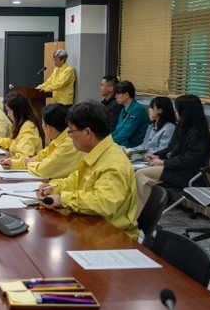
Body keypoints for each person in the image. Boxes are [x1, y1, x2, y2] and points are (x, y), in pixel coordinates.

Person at [38, 100, 138, 240]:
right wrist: (53, 187)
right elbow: (74, 181)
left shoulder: (113, 163)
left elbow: (103, 203)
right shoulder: (96, 153)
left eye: (71, 132)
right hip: (93, 227)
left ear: (87, 133)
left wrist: (63, 199)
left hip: (113, 238)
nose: (70, 136)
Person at [135, 95, 210, 215]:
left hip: (185, 173)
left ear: (186, 111)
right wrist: (157, 156)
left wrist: (163, 162)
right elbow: (171, 148)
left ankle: (139, 214)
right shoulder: (182, 127)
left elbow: (189, 160)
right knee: (139, 172)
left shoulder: (198, 134)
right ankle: (139, 211)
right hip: (174, 167)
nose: (175, 112)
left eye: (178, 109)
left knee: (141, 174)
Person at [1, 103, 85, 178]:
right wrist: (14, 163)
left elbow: (45, 169)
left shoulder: (69, 143)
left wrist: (29, 163)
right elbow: (40, 157)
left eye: (42, 123)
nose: (8, 114)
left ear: (49, 128)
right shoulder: (59, 138)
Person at [0, 91, 43, 160]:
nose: (8, 114)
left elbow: (24, 156)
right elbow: (11, 142)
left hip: (24, 165)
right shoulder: (20, 124)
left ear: (18, 111)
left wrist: (10, 160)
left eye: (9, 110)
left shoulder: (29, 127)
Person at [111, 80, 150, 148]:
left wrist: (109, 143)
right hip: (124, 144)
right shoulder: (123, 110)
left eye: (117, 94)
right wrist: (105, 140)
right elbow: (117, 131)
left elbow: (126, 133)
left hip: (135, 146)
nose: (116, 97)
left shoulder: (137, 110)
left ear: (126, 95)